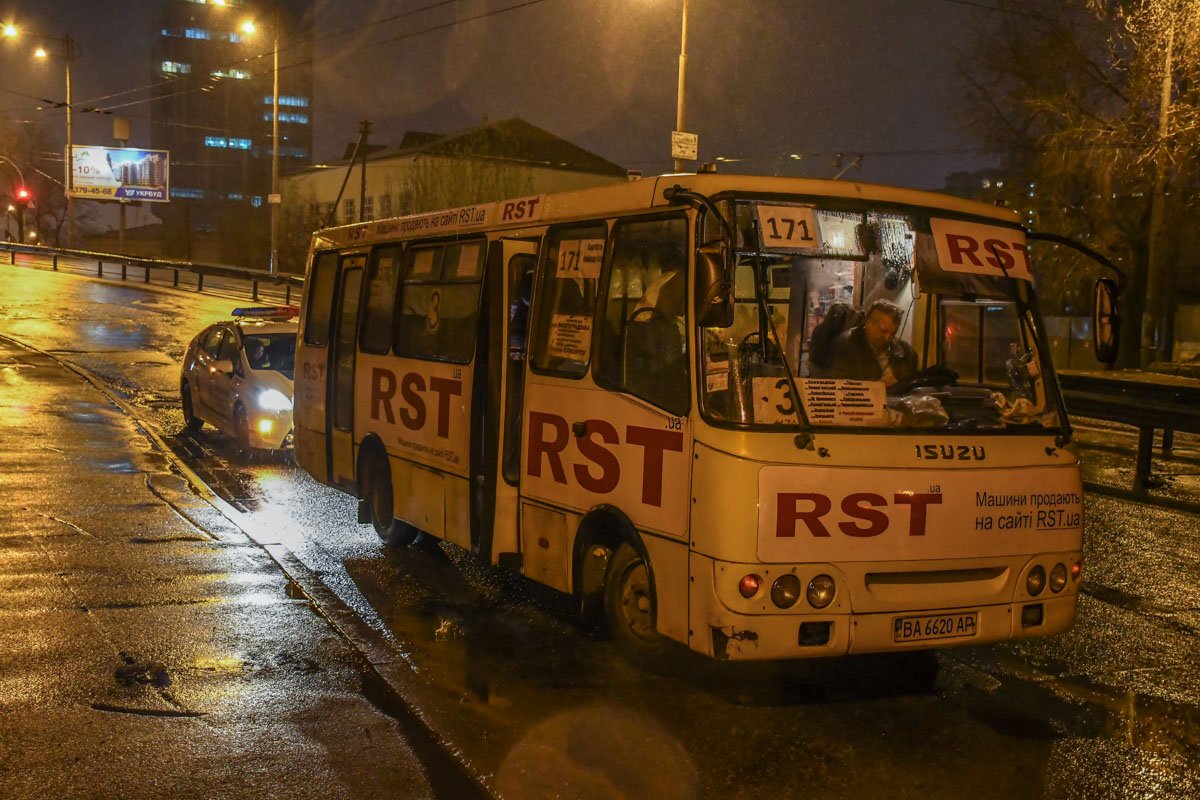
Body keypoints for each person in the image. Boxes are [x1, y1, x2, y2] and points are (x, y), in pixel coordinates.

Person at [827, 299, 916, 387]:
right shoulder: (844, 347)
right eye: (883, 330)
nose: (887, 338)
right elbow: (838, 389)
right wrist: (875, 389)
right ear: (868, 323)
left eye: (893, 333)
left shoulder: (905, 352)